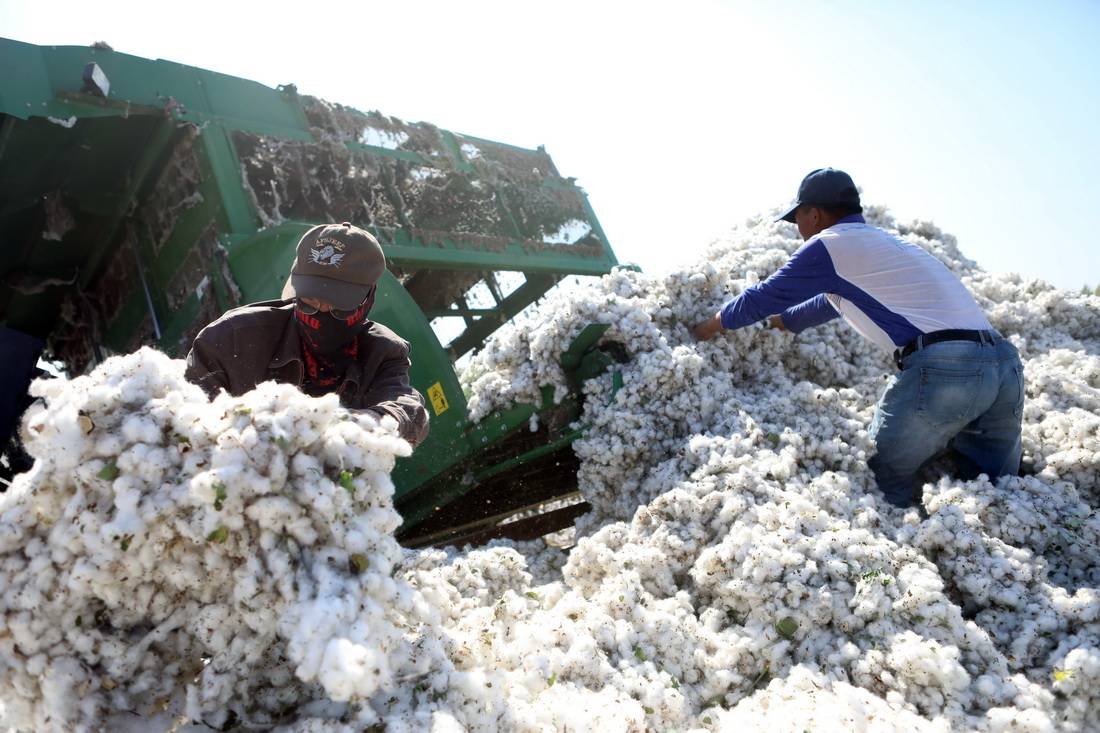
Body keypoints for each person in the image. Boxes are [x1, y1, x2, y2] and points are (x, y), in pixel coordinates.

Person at [693, 168, 1024, 508]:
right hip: (1005, 368)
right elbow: (834, 302)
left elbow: (764, 296)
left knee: (878, 482)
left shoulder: (829, 244)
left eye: (797, 220)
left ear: (815, 214)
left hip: (949, 371)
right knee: (993, 494)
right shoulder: (887, 246)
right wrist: (787, 323)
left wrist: (706, 329)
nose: (798, 231)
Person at [185, 222, 430, 447]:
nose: (320, 313)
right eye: (309, 302)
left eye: (337, 307)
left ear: (367, 300)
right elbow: (187, 419)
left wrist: (362, 425)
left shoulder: (382, 352)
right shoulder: (232, 339)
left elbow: (407, 407)